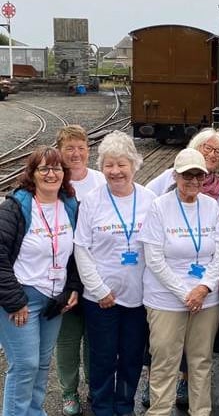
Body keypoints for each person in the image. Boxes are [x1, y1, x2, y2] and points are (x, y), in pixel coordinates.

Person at [143, 128, 219, 408]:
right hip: (166, 300)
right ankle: (159, 412)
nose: (193, 180)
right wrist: (186, 292)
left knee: (201, 362)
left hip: (206, 299)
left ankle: (201, 412)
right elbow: (154, 258)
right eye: (187, 175)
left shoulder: (212, 206)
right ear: (176, 176)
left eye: (198, 175)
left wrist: (204, 287)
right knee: (165, 363)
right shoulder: (159, 207)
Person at [73, 131, 155, 416]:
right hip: (101, 298)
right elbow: (81, 249)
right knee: (103, 358)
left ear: (134, 164)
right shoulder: (93, 201)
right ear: (101, 167)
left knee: (132, 357)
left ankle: (124, 406)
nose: (115, 171)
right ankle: (102, 407)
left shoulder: (149, 199)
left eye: (122, 164)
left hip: (139, 296)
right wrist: (99, 290)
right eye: (109, 164)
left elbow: (158, 248)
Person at [0, 146, 80, 415]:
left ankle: (34, 411)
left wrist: (72, 288)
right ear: (31, 174)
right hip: (22, 297)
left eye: (56, 168)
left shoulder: (69, 205)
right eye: (43, 168)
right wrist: (14, 302)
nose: (51, 173)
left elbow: (76, 254)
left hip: (54, 300)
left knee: (43, 363)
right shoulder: (16, 207)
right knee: (24, 365)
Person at [55, 124, 105, 416]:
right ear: (60, 152)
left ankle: (92, 388)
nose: (75, 153)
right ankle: (68, 392)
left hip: (96, 272)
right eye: (69, 148)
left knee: (94, 340)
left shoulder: (99, 180)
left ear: (89, 150)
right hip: (64, 275)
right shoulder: (55, 182)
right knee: (68, 340)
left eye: (80, 147)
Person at [146, 128, 219, 210]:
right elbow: (146, 198)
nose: (212, 154)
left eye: (218, 151)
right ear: (196, 147)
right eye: (207, 148)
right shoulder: (171, 175)